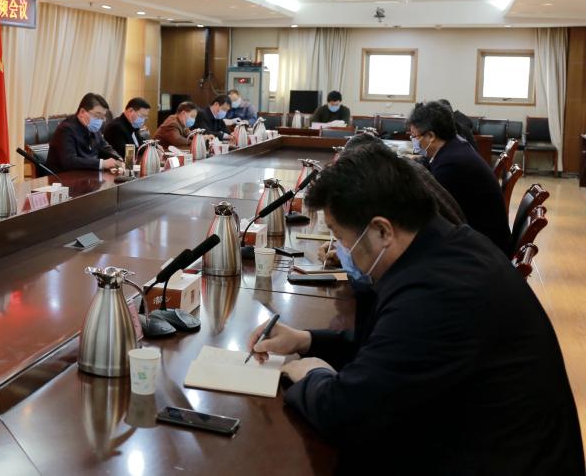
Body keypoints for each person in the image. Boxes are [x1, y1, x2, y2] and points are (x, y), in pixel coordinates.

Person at [246, 145, 583, 474]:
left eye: (340, 236)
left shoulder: (437, 292)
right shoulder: (445, 245)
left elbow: (345, 415)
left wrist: (311, 374)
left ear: (382, 230)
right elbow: (392, 349)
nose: (340, 248)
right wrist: (306, 340)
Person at [408, 101, 510, 254]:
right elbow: (429, 165)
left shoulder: (451, 165)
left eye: (414, 136)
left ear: (431, 136)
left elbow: (434, 213)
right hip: (485, 238)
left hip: (485, 250)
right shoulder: (455, 146)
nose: (414, 142)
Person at [45, 93, 122, 173]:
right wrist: (102, 163)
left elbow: (105, 147)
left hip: (87, 175)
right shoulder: (66, 129)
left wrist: (119, 159)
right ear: (82, 112)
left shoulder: (92, 128)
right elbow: (70, 161)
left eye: (102, 117)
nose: (99, 120)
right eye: (97, 115)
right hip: (63, 177)